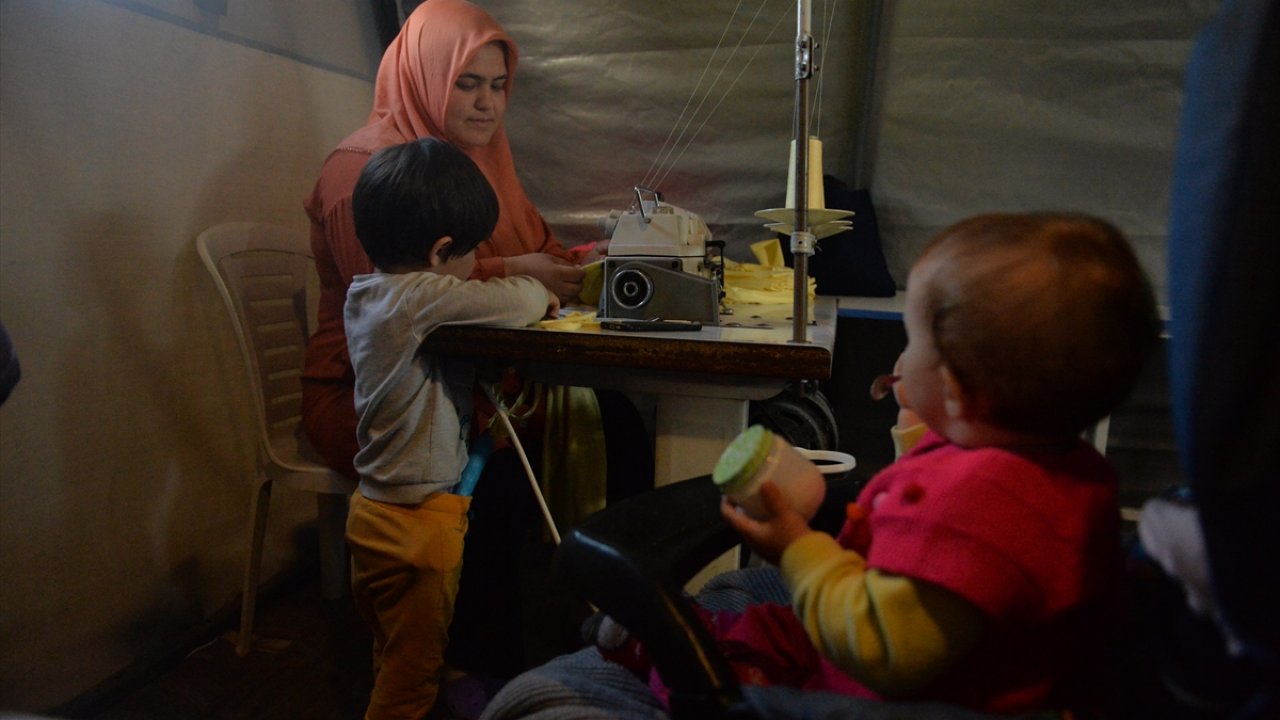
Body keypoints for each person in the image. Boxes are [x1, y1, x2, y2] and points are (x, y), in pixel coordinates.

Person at [574, 212, 1160, 717]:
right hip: (957, 660)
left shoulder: (972, 503)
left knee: (729, 677)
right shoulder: (1059, 465)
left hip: (902, 693)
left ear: (955, 391)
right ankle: (680, 638)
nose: (901, 357)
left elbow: (881, 646)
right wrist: (923, 424)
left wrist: (794, 544)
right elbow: (954, 524)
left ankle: (653, 656)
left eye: (912, 341)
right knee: (774, 627)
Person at [302, 0, 649, 681]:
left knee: (616, 418)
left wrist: (576, 257)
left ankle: (613, 611)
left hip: (452, 373)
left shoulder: (468, 162)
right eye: (468, 83)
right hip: (370, 400)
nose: (489, 104)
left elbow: (528, 243)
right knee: (490, 481)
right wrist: (522, 274)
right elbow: (398, 304)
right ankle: (480, 667)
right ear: (426, 73)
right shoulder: (365, 173)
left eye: (498, 86)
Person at [343, 136, 558, 720]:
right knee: (411, 684)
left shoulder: (366, 295)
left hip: (370, 511)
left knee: (393, 655)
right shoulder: (420, 300)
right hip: (419, 525)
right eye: (469, 253)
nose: (472, 266)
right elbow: (520, 300)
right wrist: (541, 286)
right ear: (441, 253)